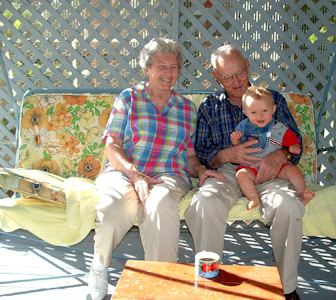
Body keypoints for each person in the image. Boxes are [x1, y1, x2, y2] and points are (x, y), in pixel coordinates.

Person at [88, 37, 225, 300]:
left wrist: (201, 171)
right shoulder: (128, 98)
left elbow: (190, 155)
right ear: (147, 68)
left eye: (173, 67)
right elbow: (112, 145)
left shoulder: (187, 108)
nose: (168, 73)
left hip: (169, 177)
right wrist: (135, 175)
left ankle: (161, 285)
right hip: (125, 172)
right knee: (115, 206)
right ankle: (99, 266)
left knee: (160, 204)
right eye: (161, 66)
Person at [184, 44, 305, 300]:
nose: (236, 81)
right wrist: (229, 154)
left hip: (268, 170)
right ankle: (209, 282)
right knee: (204, 203)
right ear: (216, 77)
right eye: (227, 76)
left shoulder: (273, 99)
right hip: (228, 171)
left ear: (248, 65)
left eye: (239, 72)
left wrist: (280, 154)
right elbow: (203, 153)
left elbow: (296, 144)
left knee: (289, 206)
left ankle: (287, 289)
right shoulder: (210, 107)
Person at [231, 86, 315, 210]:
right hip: (252, 166)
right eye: (254, 112)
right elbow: (238, 148)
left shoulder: (279, 128)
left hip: (278, 168)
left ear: (273, 109)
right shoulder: (244, 127)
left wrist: (294, 146)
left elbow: (292, 138)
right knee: (241, 175)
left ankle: (302, 193)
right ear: (245, 113)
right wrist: (235, 139)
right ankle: (253, 197)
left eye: (265, 111)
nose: (260, 116)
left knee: (293, 170)